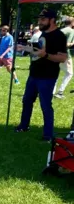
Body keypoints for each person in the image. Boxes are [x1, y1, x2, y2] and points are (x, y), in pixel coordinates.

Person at [16, 9, 67, 141]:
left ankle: (48, 135)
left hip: (47, 77)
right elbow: (38, 51)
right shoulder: (43, 33)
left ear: (52, 20)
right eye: (39, 19)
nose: (40, 22)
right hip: (34, 74)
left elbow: (62, 58)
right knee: (27, 100)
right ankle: (23, 126)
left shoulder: (59, 36)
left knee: (45, 105)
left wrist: (46, 55)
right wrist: (25, 48)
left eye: (43, 19)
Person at [54, 17, 74, 99]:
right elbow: (67, 44)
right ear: (72, 23)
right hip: (65, 55)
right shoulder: (71, 31)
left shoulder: (60, 30)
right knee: (69, 73)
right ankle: (60, 92)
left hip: (55, 54)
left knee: (56, 73)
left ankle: (52, 91)